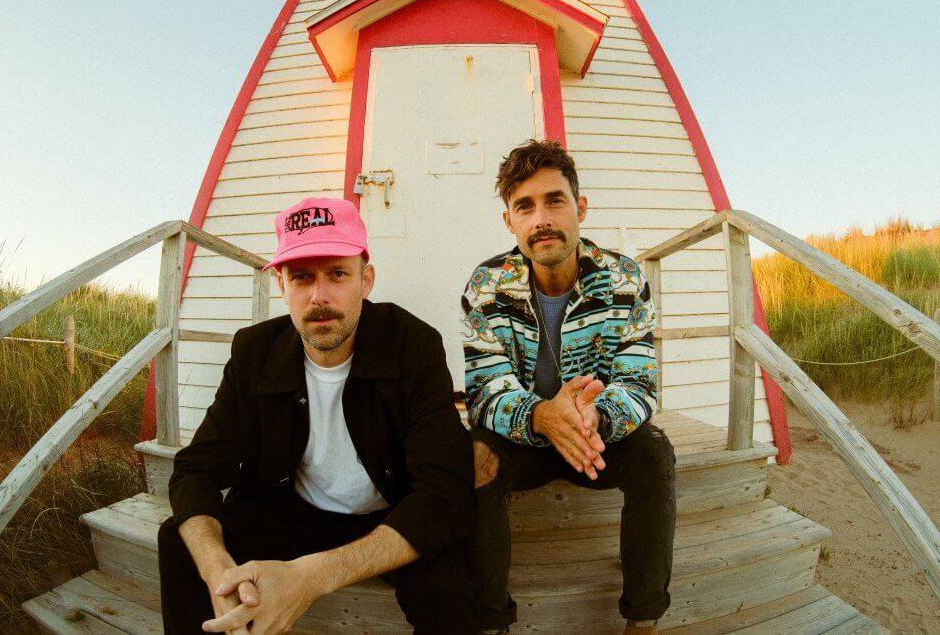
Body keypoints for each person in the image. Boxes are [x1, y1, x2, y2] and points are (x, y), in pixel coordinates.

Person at [159, 197, 477, 634]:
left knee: (451, 598)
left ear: (366, 280)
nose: (319, 296)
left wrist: (311, 578)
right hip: (293, 509)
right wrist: (218, 572)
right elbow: (195, 470)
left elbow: (445, 494)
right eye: (302, 276)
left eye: (337, 274)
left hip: (390, 515)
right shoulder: (255, 351)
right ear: (281, 284)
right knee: (182, 540)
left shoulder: (413, 345)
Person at [461, 139, 677, 634]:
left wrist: (593, 417)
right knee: (474, 456)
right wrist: (542, 417)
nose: (541, 220)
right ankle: (491, 620)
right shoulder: (486, 285)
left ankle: (643, 619)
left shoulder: (624, 278)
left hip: (594, 439)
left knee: (655, 454)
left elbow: (639, 381)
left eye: (554, 201)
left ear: (580, 208)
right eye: (525, 207)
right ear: (510, 222)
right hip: (525, 439)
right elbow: (485, 389)